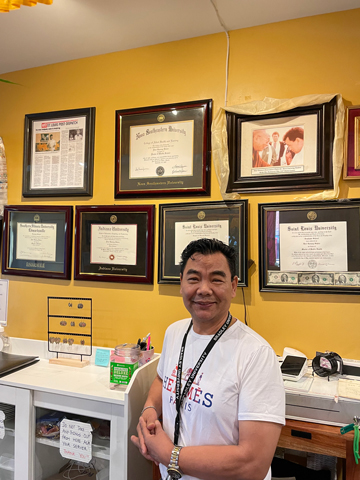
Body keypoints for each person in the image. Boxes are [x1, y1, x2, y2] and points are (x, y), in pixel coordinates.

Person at [131, 239, 285, 480]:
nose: (204, 289)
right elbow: (163, 380)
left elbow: (254, 464)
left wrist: (169, 455)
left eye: (216, 279)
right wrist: (150, 408)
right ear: (181, 283)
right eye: (193, 278)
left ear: (233, 286)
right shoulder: (174, 332)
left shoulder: (256, 354)